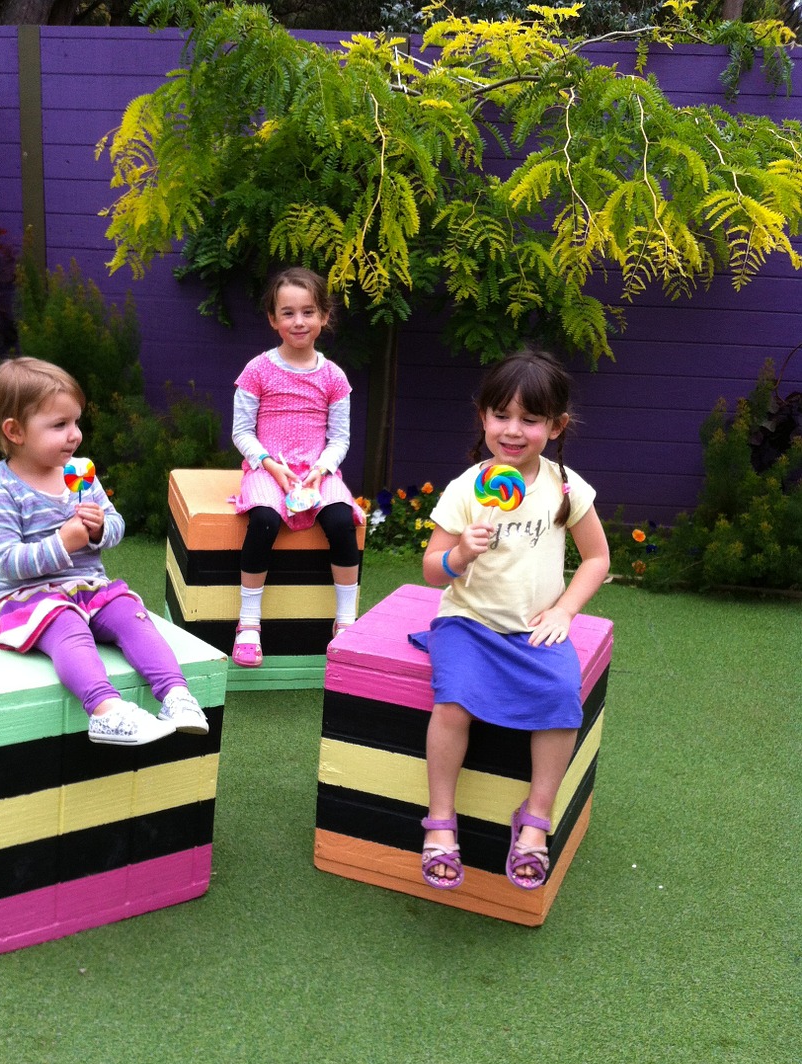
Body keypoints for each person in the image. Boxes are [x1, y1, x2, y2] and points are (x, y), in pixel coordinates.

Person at [413, 349, 610, 891]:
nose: (514, 430)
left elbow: (597, 557)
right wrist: (460, 556)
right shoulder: (466, 489)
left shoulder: (565, 488)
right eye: (502, 415)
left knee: (561, 699)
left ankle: (535, 820)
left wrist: (565, 609)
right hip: (468, 622)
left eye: (530, 419)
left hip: (532, 629)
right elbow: (433, 570)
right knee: (452, 702)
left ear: (556, 425)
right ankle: (441, 821)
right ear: (483, 418)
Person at [0, 356, 209, 746]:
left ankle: (175, 695)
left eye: (75, 422)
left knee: (132, 615)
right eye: (59, 425)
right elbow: (4, 561)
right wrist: (62, 544)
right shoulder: (2, 490)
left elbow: (116, 525)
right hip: (27, 598)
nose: (75, 435)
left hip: (88, 586)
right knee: (69, 628)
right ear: (14, 431)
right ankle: (105, 711)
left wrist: (100, 528)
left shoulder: (80, 473)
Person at [230, 266, 364, 667]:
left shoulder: (334, 377)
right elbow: (241, 432)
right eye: (287, 313)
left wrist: (321, 470)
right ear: (273, 320)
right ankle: (249, 623)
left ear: (324, 316)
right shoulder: (257, 370)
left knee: (343, 523)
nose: (298, 321)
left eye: (308, 312)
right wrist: (270, 465)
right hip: (267, 469)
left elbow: (340, 438)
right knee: (265, 521)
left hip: (316, 473)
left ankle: (346, 622)